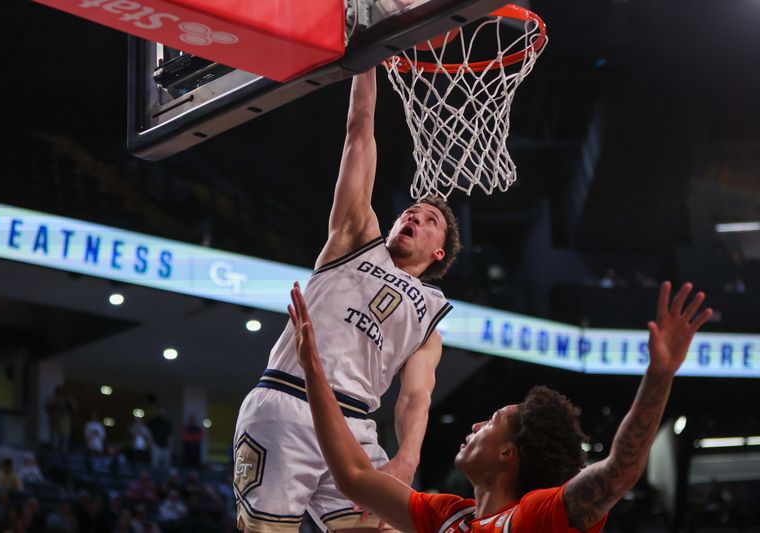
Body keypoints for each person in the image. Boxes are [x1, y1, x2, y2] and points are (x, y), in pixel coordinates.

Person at [287, 281, 712, 532]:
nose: (475, 425)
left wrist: (660, 375)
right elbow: (354, 475)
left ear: (508, 453)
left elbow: (620, 470)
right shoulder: (449, 516)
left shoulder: (537, 517)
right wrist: (313, 372)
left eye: (491, 421)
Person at [233, 68, 461, 532]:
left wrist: (404, 460)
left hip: (356, 425)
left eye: (429, 218)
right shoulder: (355, 237)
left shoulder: (429, 318)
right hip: (287, 402)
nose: (413, 216)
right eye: (409, 212)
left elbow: (416, 397)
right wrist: (365, 60)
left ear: (439, 252)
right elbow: (359, 131)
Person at [45, 385, 76, 453]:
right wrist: (54, 398)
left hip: (65, 425)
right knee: (54, 443)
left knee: (64, 444)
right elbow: (46, 408)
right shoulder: (53, 400)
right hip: (55, 425)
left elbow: (74, 409)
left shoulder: (67, 401)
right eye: (59, 392)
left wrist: (68, 397)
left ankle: (63, 458)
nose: (61, 394)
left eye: (62, 392)